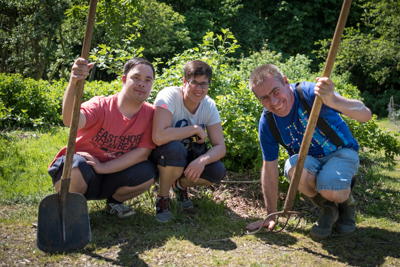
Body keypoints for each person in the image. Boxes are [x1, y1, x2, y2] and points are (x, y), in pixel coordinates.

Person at [246, 64, 372, 237]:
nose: (274, 102)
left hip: (341, 153)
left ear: (285, 82)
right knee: (292, 168)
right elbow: (269, 168)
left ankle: (347, 205)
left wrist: (333, 100)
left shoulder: (310, 94)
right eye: (265, 98)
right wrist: (271, 214)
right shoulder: (268, 122)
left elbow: (366, 115)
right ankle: (328, 209)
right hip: (310, 163)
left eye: (276, 91)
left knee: (330, 186)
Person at [47, 57, 157, 219]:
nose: (142, 83)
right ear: (124, 79)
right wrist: (74, 81)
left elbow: (141, 153)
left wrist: (104, 167)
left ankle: (114, 202)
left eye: (148, 80)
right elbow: (70, 119)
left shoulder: (151, 114)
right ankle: (70, 209)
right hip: (82, 171)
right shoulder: (101, 105)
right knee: (75, 166)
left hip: (112, 173)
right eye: (136, 78)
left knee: (147, 173)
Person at [150, 60, 226, 223]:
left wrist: (202, 160)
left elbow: (220, 147)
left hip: (187, 156)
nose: (199, 89)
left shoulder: (209, 106)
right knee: (175, 148)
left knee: (217, 170)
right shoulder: (169, 96)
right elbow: (158, 137)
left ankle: (179, 185)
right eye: (194, 83)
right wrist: (194, 129)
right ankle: (162, 198)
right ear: (184, 81)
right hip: (161, 155)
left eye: (204, 84)